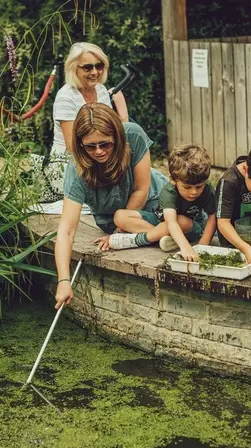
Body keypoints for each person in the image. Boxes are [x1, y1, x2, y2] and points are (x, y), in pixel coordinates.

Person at [54, 103, 168, 309]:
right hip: (111, 221)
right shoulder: (76, 170)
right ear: (80, 144)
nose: (98, 152)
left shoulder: (133, 134)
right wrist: (63, 280)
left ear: (116, 136)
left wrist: (119, 234)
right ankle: (164, 234)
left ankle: (167, 231)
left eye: (105, 144)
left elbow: (141, 189)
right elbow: (67, 230)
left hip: (153, 201)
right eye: (90, 146)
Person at [33, 42, 129, 203]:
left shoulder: (101, 90)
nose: (95, 72)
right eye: (87, 67)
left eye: (99, 66)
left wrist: (122, 109)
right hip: (72, 163)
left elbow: (114, 130)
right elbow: (72, 147)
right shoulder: (66, 97)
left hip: (98, 156)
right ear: (74, 68)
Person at [105, 144, 217, 260]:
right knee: (120, 216)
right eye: (187, 187)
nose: (194, 192)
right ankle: (164, 237)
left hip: (191, 227)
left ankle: (139, 240)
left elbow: (212, 216)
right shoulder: (168, 192)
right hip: (163, 221)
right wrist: (184, 246)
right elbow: (170, 222)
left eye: (199, 187)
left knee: (180, 220)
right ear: (173, 180)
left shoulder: (207, 189)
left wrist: (203, 244)